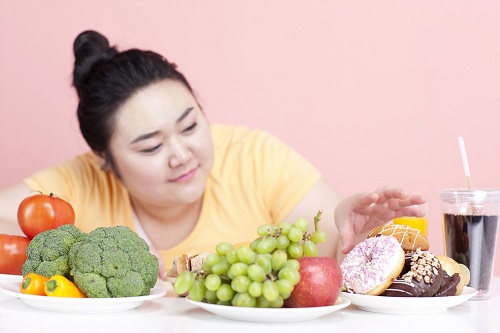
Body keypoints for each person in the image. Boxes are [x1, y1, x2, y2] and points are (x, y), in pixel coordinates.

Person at [0, 30, 426, 277]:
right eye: (150, 146)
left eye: (190, 126)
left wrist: (348, 232)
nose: (181, 155)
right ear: (105, 161)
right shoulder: (75, 184)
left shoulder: (256, 158)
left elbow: (328, 259)